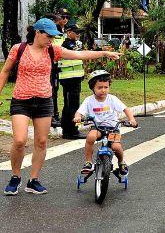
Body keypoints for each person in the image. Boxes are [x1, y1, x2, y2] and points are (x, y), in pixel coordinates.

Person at [0, 18, 122, 195]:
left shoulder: (53, 51)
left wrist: (103, 53)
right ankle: (15, 177)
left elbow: (79, 55)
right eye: (49, 36)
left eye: (53, 37)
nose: (51, 40)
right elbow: (5, 71)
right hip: (21, 100)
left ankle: (33, 180)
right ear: (38, 33)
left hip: (44, 101)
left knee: (41, 141)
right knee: (19, 140)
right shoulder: (18, 49)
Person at [74, 70, 137, 176]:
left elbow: (126, 109)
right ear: (92, 88)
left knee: (116, 147)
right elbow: (79, 112)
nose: (103, 90)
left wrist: (132, 119)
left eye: (106, 87)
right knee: (90, 137)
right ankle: (88, 162)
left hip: (113, 128)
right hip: (97, 127)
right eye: (100, 87)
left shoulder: (112, 99)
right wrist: (77, 117)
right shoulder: (89, 100)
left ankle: (121, 162)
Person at [59, 24, 86, 139]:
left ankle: (66, 131)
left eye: (79, 32)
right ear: (69, 32)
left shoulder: (74, 44)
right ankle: (72, 131)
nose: (78, 34)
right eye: (76, 32)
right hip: (69, 80)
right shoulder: (67, 44)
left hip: (74, 79)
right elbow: (80, 54)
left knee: (69, 105)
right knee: (72, 106)